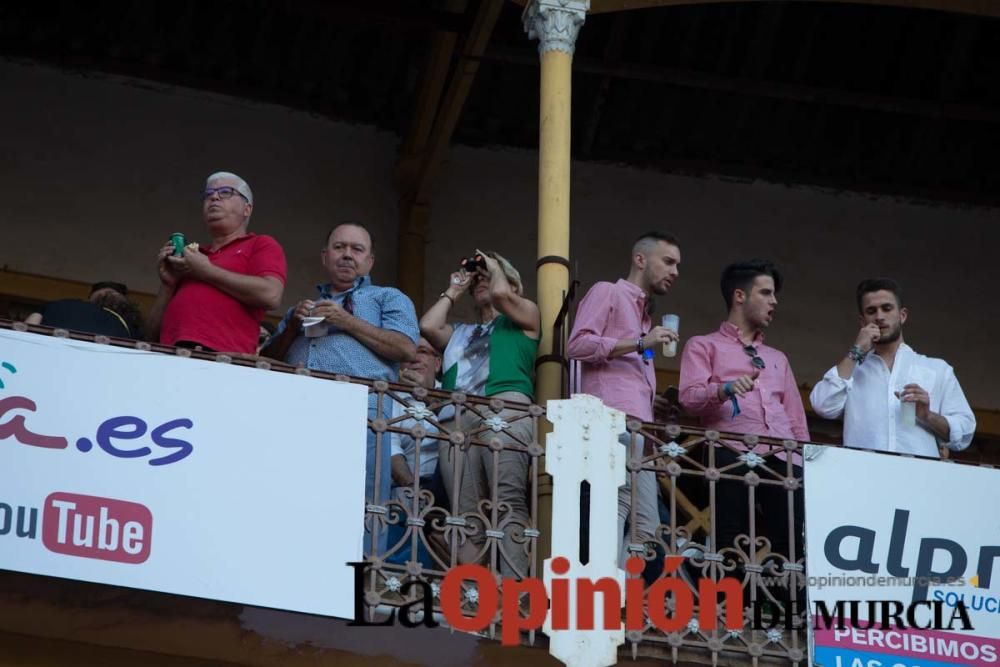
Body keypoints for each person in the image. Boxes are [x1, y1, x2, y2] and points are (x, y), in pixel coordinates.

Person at [262, 222, 418, 554]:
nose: (347, 254)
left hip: (363, 412)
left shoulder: (387, 297)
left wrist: (345, 321)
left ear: (370, 261)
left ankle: (360, 579)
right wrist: (291, 327)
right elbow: (266, 362)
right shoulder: (301, 309)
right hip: (300, 413)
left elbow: (405, 348)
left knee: (362, 501)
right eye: (339, 247)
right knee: (294, 496)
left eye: (357, 249)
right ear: (325, 256)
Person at [678, 259, 809, 577]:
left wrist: (807, 465)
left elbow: (796, 420)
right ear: (740, 296)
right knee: (730, 538)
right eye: (766, 293)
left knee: (788, 542)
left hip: (782, 457)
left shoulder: (778, 358)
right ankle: (729, 610)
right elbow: (689, 399)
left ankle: (779, 612)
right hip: (730, 452)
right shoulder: (703, 345)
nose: (774, 301)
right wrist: (723, 390)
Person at [420, 250, 539, 578]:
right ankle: (477, 590)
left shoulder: (526, 317)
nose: (482, 281)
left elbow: (502, 295)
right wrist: (456, 289)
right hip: (456, 416)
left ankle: (513, 585)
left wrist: (494, 265)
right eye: (478, 279)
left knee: (506, 499)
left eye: (488, 276)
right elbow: (428, 324)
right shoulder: (461, 332)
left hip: (505, 405)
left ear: (513, 284)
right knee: (465, 512)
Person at [567, 231, 681, 567]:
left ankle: (620, 596)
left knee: (648, 525)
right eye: (668, 261)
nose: (675, 271)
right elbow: (577, 345)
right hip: (609, 421)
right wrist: (640, 341)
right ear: (640, 259)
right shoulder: (609, 292)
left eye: (678, 265)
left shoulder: (644, 315)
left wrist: (652, 402)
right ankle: (606, 596)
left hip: (640, 432)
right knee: (614, 507)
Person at [810, 277, 975, 458]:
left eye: (887, 308)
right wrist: (856, 350)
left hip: (920, 479)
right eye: (871, 311)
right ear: (862, 322)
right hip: (864, 477)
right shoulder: (852, 371)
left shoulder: (937, 369)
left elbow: (966, 431)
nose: (879, 316)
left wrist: (927, 416)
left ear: (902, 315)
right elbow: (822, 405)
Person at [147, 172, 286, 354]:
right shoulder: (192, 258)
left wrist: (207, 270)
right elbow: (150, 334)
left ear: (247, 209)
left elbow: (271, 295)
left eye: (226, 192)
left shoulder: (260, 244)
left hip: (223, 361)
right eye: (208, 194)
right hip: (170, 356)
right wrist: (168, 285)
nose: (214, 196)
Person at [386, 337, 451, 569]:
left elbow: (464, 434)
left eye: (423, 351)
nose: (414, 358)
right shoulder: (390, 396)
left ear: (438, 362)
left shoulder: (455, 395)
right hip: (404, 491)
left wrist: (428, 396)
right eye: (407, 354)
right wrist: (414, 491)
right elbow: (390, 450)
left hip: (449, 493)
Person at [26, 281, 142, 340]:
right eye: (107, 293)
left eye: (112, 293)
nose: (108, 293)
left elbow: (27, 330)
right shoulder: (62, 305)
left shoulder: (61, 304)